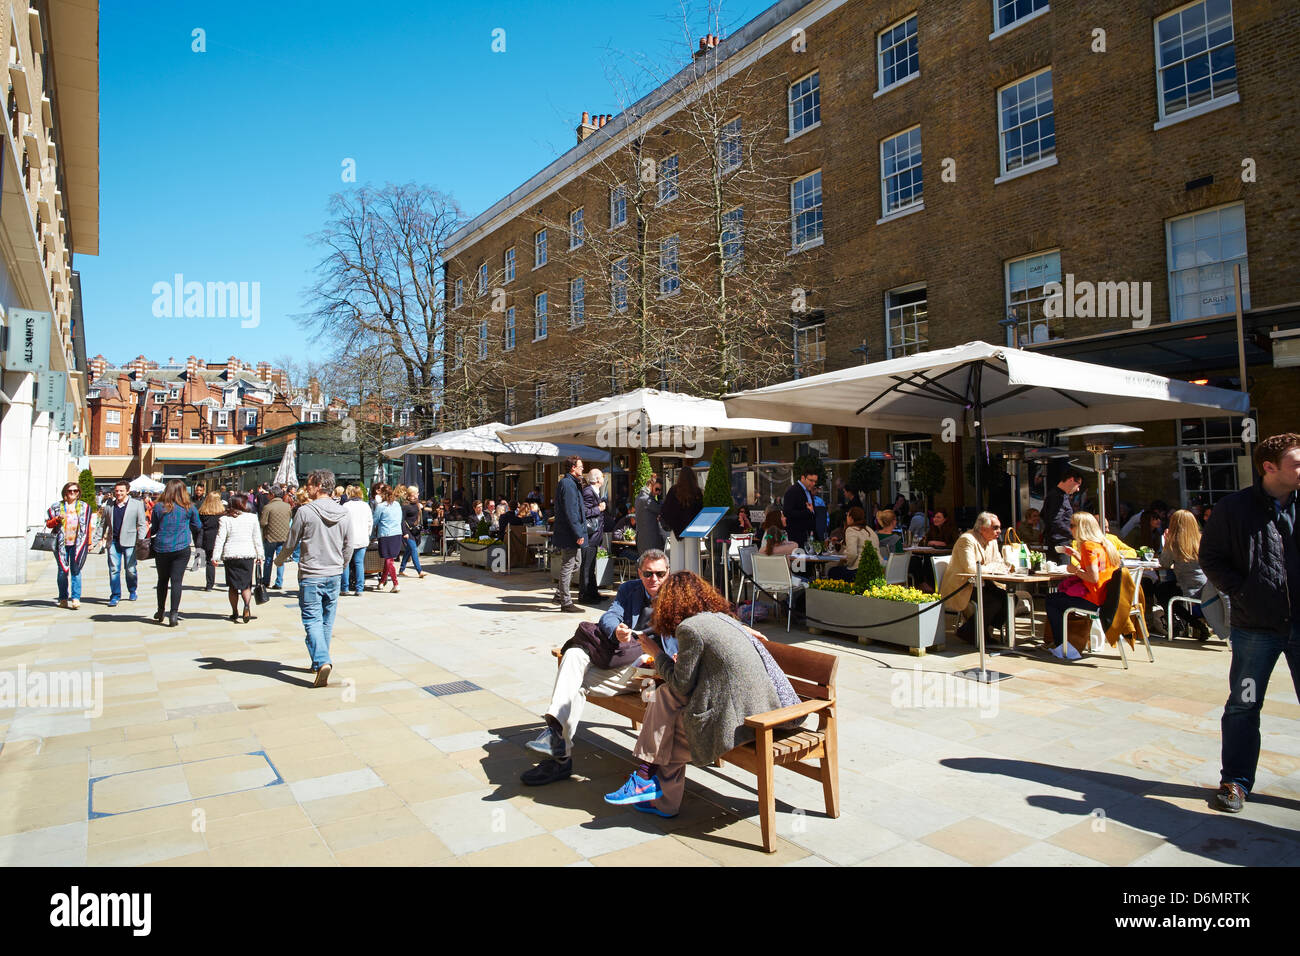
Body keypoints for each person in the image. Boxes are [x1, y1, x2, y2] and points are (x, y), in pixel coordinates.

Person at [603, 571, 794, 819]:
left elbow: (682, 684)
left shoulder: (689, 629)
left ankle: (647, 779)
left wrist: (656, 653)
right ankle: (648, 783)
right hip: (751, 702)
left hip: (747, 717)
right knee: (664, 697)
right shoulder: (719, 619)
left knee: (670, 727)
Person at [1200, 433, 1300, 814]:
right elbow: (1210, 555)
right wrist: (1241, 592)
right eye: (1296, 463)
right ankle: (1236, 782)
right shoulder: (1234, 508)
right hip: (1255, 627)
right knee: (1243, 703)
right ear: (1269, 467)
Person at [521, 549, 671, 785]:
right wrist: (617, 631)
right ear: (640, 573)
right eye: (648, 574)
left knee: (572, 680)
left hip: (654, 675)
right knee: (573, 657)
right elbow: (610, 616)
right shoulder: (629, 589)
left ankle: (557, 748)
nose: (654, 580)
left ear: (668, 573)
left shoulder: (676, 595)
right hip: (625, 663)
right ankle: (557, 740)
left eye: (660, 574)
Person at [275, 469, 349, 686]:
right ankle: (319, 662)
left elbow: (291, 542)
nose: (306, 487)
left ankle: (322, 659)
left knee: (312, 619)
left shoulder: (305, 512)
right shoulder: (344, 513)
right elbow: (348, 545)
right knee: (326, 620)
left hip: (311, 574)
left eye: (309, 484)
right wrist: (341, 565)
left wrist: (279, 560)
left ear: (318, 485)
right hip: (334, 573)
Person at [1044, 512, 1121, 652]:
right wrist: (1076, 555)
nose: (1069, 529)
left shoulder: (1087, 546)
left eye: (1072, 525)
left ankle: (1061, 645)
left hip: (1094, 599)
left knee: (1051, 600)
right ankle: (1066, 642)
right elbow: (1098, 567)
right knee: (1057, 599)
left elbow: (1093, 577)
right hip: (1106, 598)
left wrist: (1074, 570)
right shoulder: (1104, 544)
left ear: (1081, 527)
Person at [938, 512, 1013, 646]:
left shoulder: (993, 542)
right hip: (963, 585)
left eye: (999, 527)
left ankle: (979, 629)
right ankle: (972, 632)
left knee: (1009, 599)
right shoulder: (966, 540)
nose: (998, 531)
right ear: (982, 528)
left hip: (985, 583)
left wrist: (991, 567)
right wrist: (992, 567)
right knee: (993, 601)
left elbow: (1000, 563)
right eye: (995, 527)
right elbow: (971, 569)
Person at [1156, 509, 1226, 641]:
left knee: (1162, 590)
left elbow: (1164, 562)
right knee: (1167, 590)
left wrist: (1166, 542)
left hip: (1188, 589)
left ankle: (1190, 625)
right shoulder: (1203, 540)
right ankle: (1194, 625)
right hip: (1207, 589)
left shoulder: (1175, 544)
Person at [148, 479, 201, 627]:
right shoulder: (189, 507)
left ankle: (160, 610)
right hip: (181, 547)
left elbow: (154, 528)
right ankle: (173, 614)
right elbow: (197, 526)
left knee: (162, 580)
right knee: (177, 582)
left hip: (162, 547)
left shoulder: (159, 507)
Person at [211, 492, 264, 624]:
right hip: (247, 554)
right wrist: (260, 555)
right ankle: (246, 605)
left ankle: (235, 611)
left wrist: (215, 556)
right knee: (246, 585)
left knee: (232, 586)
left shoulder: (225, 519)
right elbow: (257, 538)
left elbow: (220, 538)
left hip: (231, 555)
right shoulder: (252, 518)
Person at [94, 480, 148, 607]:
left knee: (130, 569)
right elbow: (103, 525)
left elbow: (142, 524)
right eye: (116, 491)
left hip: (130, 542)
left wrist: (140, 540)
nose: (118, 493)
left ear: (127, 491)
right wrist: (95, 541)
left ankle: (132, 590)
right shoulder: (109, 505)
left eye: (121, 491)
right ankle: (115, 595)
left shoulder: (136, 504)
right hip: (113, 541)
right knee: (113, 569)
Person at [45, 481, 93, 610]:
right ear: (65, 492)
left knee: (76, 570)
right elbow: (49, 524)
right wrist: (57, 519)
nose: (72, 493)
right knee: (62, 571)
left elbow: (87, 526)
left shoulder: (84, 507)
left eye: (75, 491)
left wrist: (89, 543)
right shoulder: (56, 506)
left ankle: (76, 598)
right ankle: (63, 598)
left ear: (79, 493)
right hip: (61, 543)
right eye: (70, 491)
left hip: (77, 544)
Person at [550, 456, 587, 613]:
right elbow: (571, 511)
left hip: (570, 531)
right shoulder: (568, 484)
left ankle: (559, 594)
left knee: (576, 563)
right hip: (570, 532)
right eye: (580, 466)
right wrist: (578, 532)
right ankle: (565, 602)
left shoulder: (571, 483)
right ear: (573, 468)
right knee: (568, 564)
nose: (582, 469)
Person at [660, 466, 703, 575]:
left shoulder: (674, 490)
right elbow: (700, 511)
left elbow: (666, 510)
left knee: (677, 562)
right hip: (692, 530)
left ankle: (677, 587)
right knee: (692, 562)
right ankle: (692, 587)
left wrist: (673, 523)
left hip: (676, 531)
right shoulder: (697, 492)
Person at [579, 468, 608, 604]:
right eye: (602, 476)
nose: (603, 478)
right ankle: (584, 595)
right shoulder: (588, 491)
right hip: (589, 536)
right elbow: (583, 511)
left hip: (595, 536)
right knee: (587, 567)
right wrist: (599, 509)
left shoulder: (595, 491)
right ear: (597, 479)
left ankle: (593, 593)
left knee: (591, 566)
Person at [827, 507, 879, 582]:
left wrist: (847, 563)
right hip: (874, 570)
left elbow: (852, 554)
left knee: (832, 571)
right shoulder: (870, 530)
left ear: (851, 518)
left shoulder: (851, 530)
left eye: (847, 515)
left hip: (859, 570)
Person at [341, 485, 373, 595]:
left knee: (346, 563)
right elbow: (370, 522)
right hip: (362, 538)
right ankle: (359, 588)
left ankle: (345, 588)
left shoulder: (346, 505)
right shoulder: (366, 506)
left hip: (348, 539)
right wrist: (367, 534)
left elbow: (342, 522)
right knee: (359, 563)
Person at [1041, 468, 1083, 554]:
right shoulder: (1057, 497)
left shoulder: (1060, 495)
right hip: (1059, 543)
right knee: (1063, 567)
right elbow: (1055, 520)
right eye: (1078, 485)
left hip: (1059, 541)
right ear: (1071, 480)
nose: (1078, 489)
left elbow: (1043, 514)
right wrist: (1073, 534)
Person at [259, 484, 292, 591]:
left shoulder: (268, 507)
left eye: (269, 494)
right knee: (280, 559)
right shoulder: (287, 506)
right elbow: (289, 518)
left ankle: (266, 581)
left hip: (270, 536)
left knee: (268, 559)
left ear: (272, 495)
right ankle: (279, 582)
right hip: (283, 536)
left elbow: (263, 522)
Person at [372, 483, 403, 593]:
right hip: (397, 533)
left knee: (389, 559)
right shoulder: (397, 505)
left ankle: (395, 583)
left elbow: (374, 520)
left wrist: (371, 534)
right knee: (389, 559)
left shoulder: (381, 506)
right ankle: (382, 582)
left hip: (386, 534)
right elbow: (399, 519)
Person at [782, 466, 819, 548]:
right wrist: (808, 512)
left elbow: (811, 511)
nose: (813, 484)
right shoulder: (792, 491)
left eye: (815, 481)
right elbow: (787, 512)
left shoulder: (808, 491)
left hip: (808, 536)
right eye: (811, 480)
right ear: (803, 477)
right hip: (797, 537)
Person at [197, 491, 226, 591]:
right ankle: (229, 582)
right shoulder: (223, 513)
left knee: (209, 561)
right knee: (227, 561)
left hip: (208, 538)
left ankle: (209, 584)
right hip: (220, 538)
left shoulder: (202, 512)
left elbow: (199, 527)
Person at [398, 487, 427, 579]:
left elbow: (422, 517)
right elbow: (401, 520)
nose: (418, 494)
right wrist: (404, 532)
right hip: (408, 531)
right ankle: (419, 571)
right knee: (413, 549)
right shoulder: (405, 506)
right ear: (412, 494)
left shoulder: (418, 505)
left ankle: (402, 570)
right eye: (417, 493)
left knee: (409, 550)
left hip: (415, 531)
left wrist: (423, 509)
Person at [634, 473, 665, 554]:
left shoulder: (639, 497)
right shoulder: (647, 500)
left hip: (643, 540)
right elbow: (661, 509)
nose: (658, 492)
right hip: (650, 541)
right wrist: (660, 498)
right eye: (658, 489)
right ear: (652, 485)